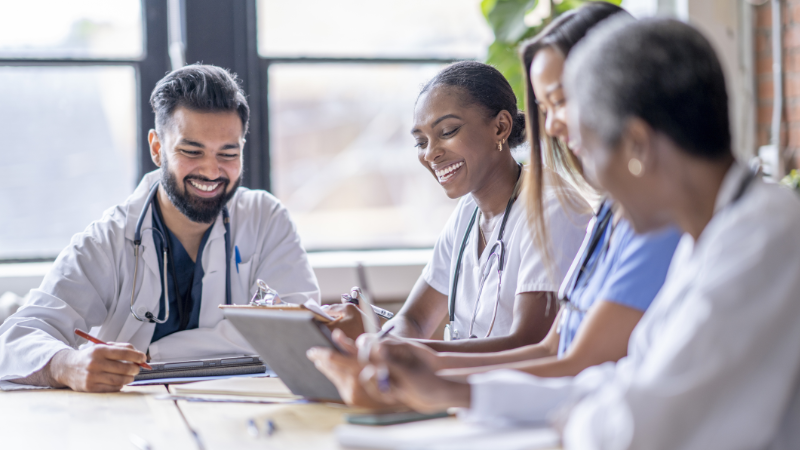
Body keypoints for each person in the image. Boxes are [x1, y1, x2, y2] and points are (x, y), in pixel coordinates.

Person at [362, 17, 800, 449]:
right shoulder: (707, 236)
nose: (596, 192)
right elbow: (619, 381)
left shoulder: (761, 242)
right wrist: (453, 389)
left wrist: (458, 386)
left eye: (587, 150)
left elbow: (641, 423)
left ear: (636, 146)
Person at [0, 64, 319, 393]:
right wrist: (67, 365)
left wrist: (155, 354)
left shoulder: (267, 220)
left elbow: (301, 337)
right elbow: (18, 337)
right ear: (157, 148)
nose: (212, 171)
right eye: (191, 151)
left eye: (228, 153)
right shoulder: (108, 239)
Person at [309, 61, 590, 406]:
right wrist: (382, 342)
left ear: (500, 127)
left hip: (517, 404)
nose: (431, 153)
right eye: (421, 141)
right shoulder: (468, 214)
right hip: (461, 396)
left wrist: (404, 352)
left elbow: (529, 343)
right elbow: (414, 318)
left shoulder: (551, 208)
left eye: (447, 132)